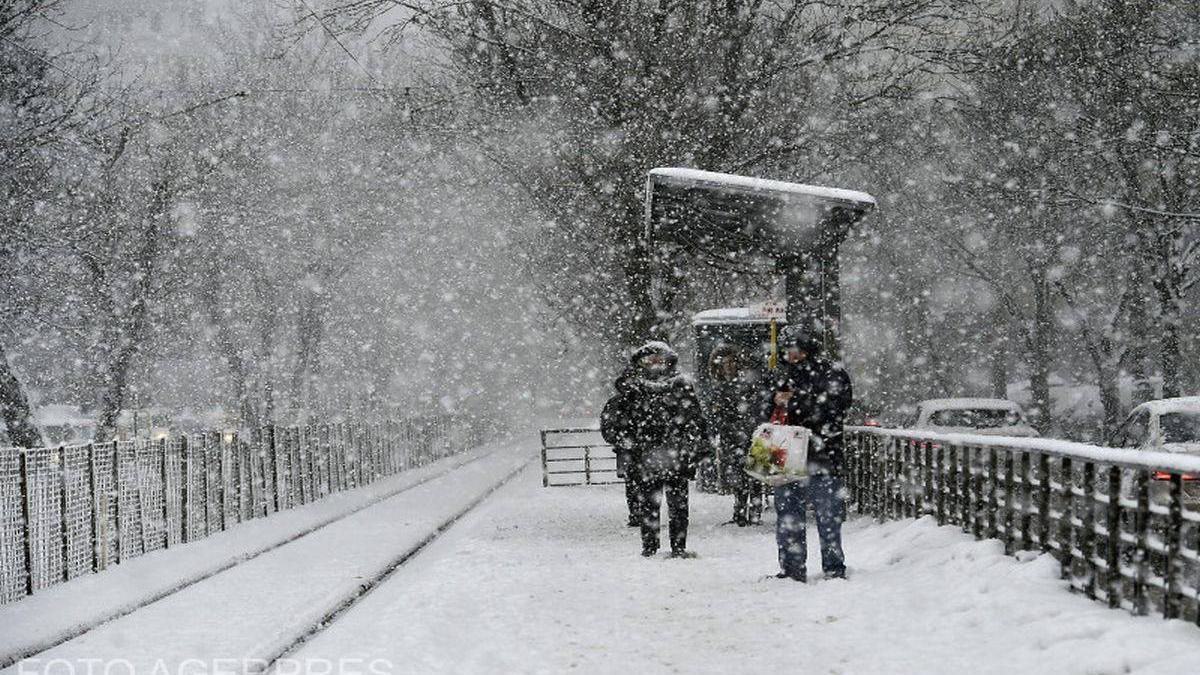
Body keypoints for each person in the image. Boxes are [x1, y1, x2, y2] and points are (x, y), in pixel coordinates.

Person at [601, 341, 709, 557]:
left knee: (677, 504)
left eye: (660, 360)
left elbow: (696, 420)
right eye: (650, 360)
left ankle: (677, 546)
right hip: (647, 455)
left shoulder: (680, 387)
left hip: (674, 454)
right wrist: (627, 441)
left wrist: (698, 446)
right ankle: (650, 546)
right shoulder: (632, 390)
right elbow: (612, 421)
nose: (656, 365)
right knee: (650, 503)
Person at [763, 325, 853, 582]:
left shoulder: (825, 373)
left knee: (818, 516)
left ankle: (826, 568)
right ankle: (801, 569)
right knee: (800, 516)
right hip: (812, 454)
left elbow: (834, 406)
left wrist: (790, 401)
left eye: (796, 349)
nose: (791, 355)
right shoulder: (826, 373)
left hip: (814, 455)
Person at [706, 343, 763, 526]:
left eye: (730, 362)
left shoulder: (741, 383)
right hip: (735, 433)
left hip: (746, 433)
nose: (728, 366)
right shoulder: (727, 385)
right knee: (741, 473)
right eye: (724, 363)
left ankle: (751, 511)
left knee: (751, 473)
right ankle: (744, 510)